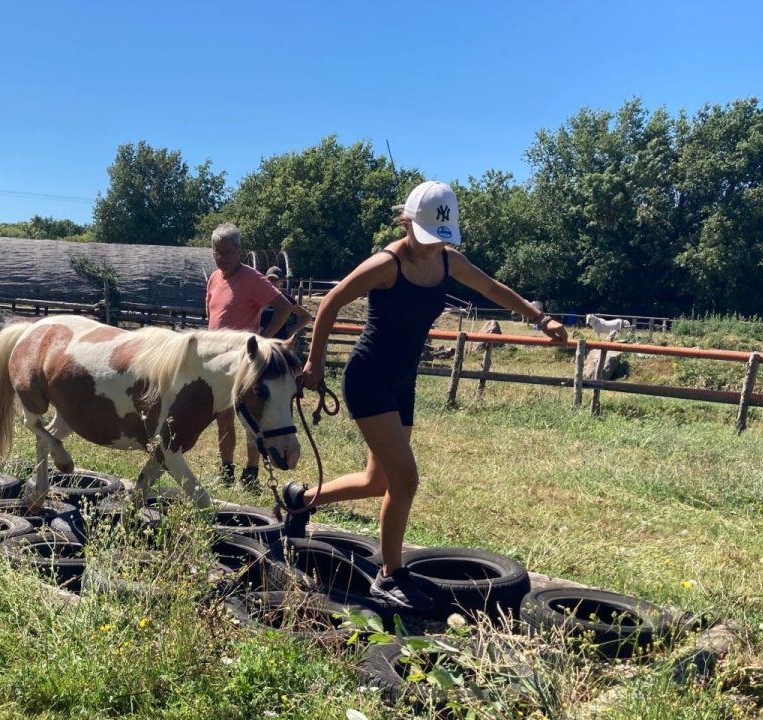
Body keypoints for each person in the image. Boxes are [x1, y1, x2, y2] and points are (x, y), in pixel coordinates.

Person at [280, 181, 567, 610]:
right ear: (407, 222)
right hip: (368, 376)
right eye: (427, 236)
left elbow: (491, 288)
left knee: (379, 482)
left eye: (441, 240)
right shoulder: (387, 264)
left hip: (402, 380)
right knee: (406, 480)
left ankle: (299, 500)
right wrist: (314, 364)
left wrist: (540, 318)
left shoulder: (450, 261)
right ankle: (389, 575)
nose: (433, 247)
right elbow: (331, 303)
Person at [206, 223, 312, 489]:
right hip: (219, 362)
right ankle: (226, 469)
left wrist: (264, 338)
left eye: (228, 252)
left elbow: (285, 307)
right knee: (223, 417)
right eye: (217, 252)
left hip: (245, 360)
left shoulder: (252, 277)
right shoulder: (214, 279)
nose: (222, 258)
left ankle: (251, 473)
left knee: (252, 418)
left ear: (239, 251)